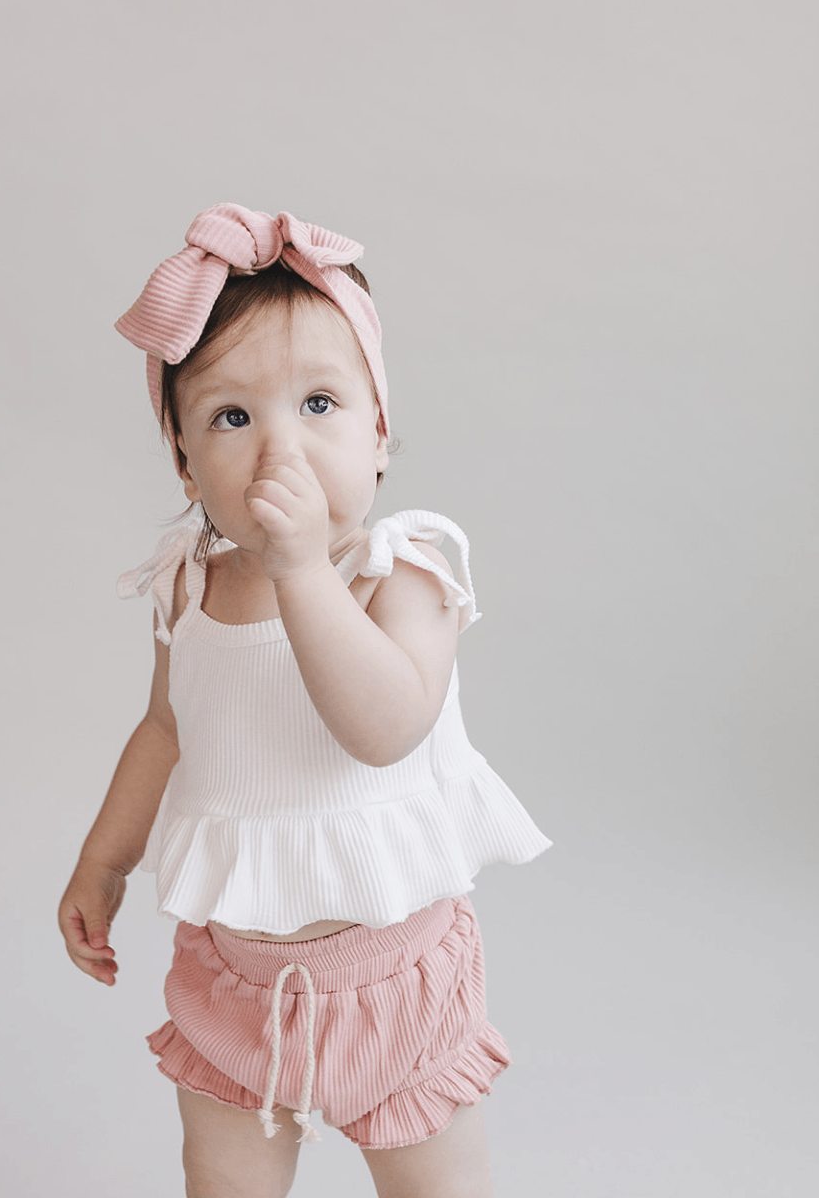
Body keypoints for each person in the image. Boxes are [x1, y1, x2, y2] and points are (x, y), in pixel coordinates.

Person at [58, 203, 551, 1198]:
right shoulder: (188, 585)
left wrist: (302, 572)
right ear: (187, 462)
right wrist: (102, 859)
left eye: (319, 403)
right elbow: (165, 728)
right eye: (232, 417)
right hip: (232, 977)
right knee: (224, 1180)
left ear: (379, 432)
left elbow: (385, 725)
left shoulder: (398, 574)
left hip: (391, 983)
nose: (278, 448)